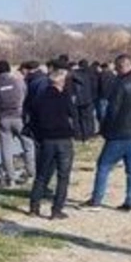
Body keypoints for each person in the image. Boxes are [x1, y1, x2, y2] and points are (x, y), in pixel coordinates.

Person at [86, 54, 131, 212]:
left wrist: (105, 130)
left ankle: (96, 200)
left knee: (103, 165)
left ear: (122, 66)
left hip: (119, 132)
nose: (115, 71)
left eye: (117, 68)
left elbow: (113, 110)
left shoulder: (120, 85)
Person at [27, 68, 76, 219]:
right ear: (61, 82)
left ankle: (34, 207)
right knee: (63, 176)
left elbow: (32, 118)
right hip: (63, 139)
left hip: (46, 139)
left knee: (42, 175)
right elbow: (73, 114)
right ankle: (56, 210)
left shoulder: (39, 98)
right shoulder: (64, 97)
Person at [0, 60, 33, 185]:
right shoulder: (18, 82)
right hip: (19, 118)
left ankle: (11, 179)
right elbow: (26, 96)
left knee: (6, 150)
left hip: (3, 120)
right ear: (9, 69)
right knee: (28, 145)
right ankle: (31, 174)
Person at [70, 59, 98, 141]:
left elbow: (71, 88)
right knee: (89, 118)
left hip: (77, 100)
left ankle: (78, 135)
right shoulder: (91, 74)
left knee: (77, 119)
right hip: (89, 99)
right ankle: (89, 134)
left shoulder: (73, 74)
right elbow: (94, 87)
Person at [96, 61, 116, 125]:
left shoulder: (101, 75)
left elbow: (100, 86)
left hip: (103, 95)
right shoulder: (113, 75)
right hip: (111, 95)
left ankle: (103, 125)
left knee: (103, 112)